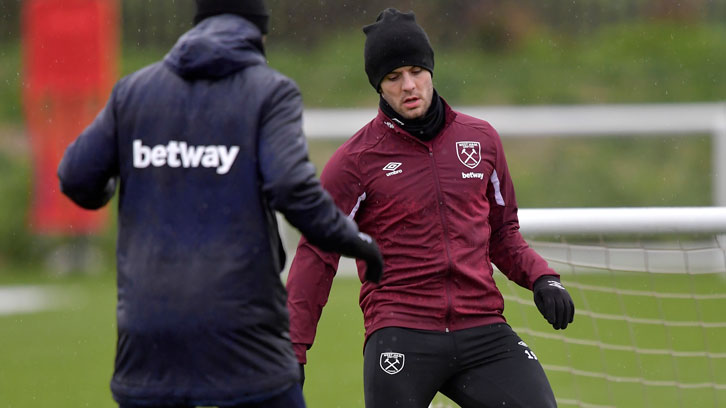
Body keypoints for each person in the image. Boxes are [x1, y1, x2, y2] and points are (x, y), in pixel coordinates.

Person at [57, 1, 384, 407]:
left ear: (197, 24)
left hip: (147, 333)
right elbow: (293, 190)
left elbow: (75, 178)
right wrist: (357, 243)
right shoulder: (269, 91)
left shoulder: (135, 91)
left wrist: (110, 188)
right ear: (259, 32)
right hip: (242, 331)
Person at [286, 8, 575, 408]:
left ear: (431, 70)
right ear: (378, 86)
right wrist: (292, 348)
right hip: (401, 332)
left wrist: (543, 278)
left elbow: (503, 233)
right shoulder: (355, 161)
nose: (409, 85)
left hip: (482, 327)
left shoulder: (481, 140)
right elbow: (317, 255)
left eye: (416, 71)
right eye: (393, 77)